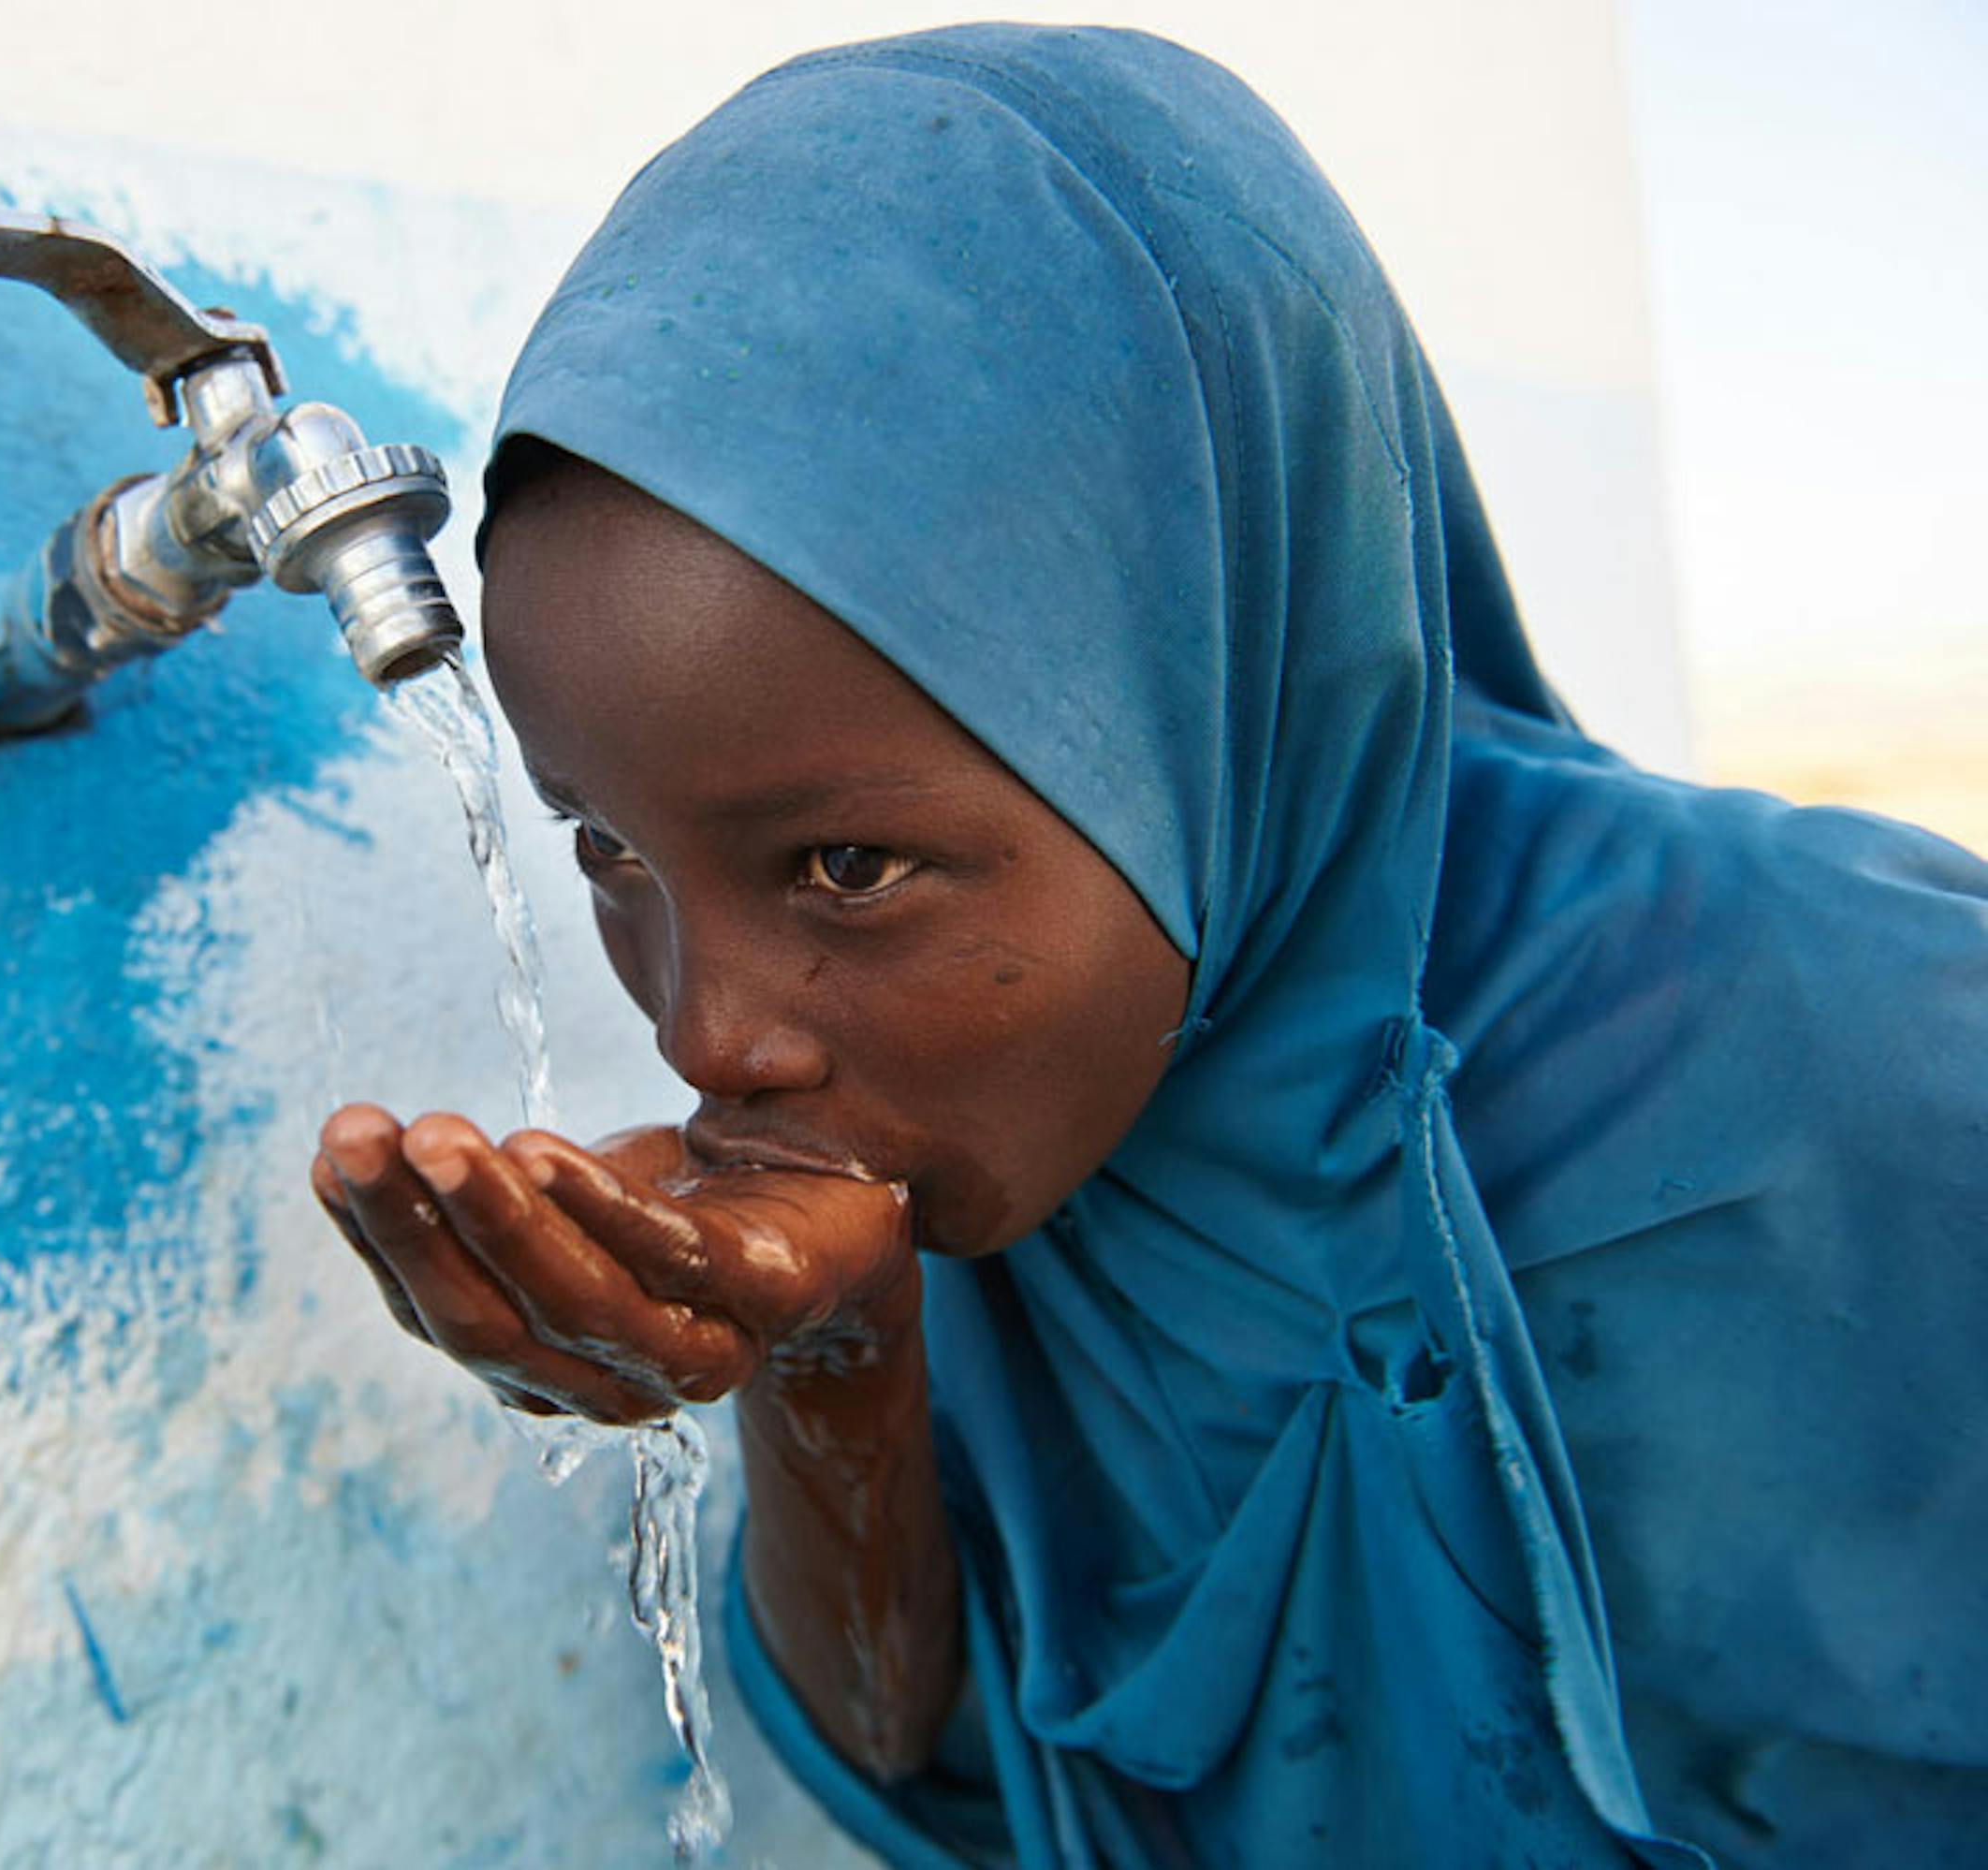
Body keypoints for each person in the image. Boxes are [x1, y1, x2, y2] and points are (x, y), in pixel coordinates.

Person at [308, 25, 1988, 1867]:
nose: (709, 1035)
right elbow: (917, 1765)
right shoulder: (1007, 1162)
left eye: (848, 864)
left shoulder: (1877, 1056)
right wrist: (830, 1357)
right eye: (608, 849)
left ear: (1206, 693)